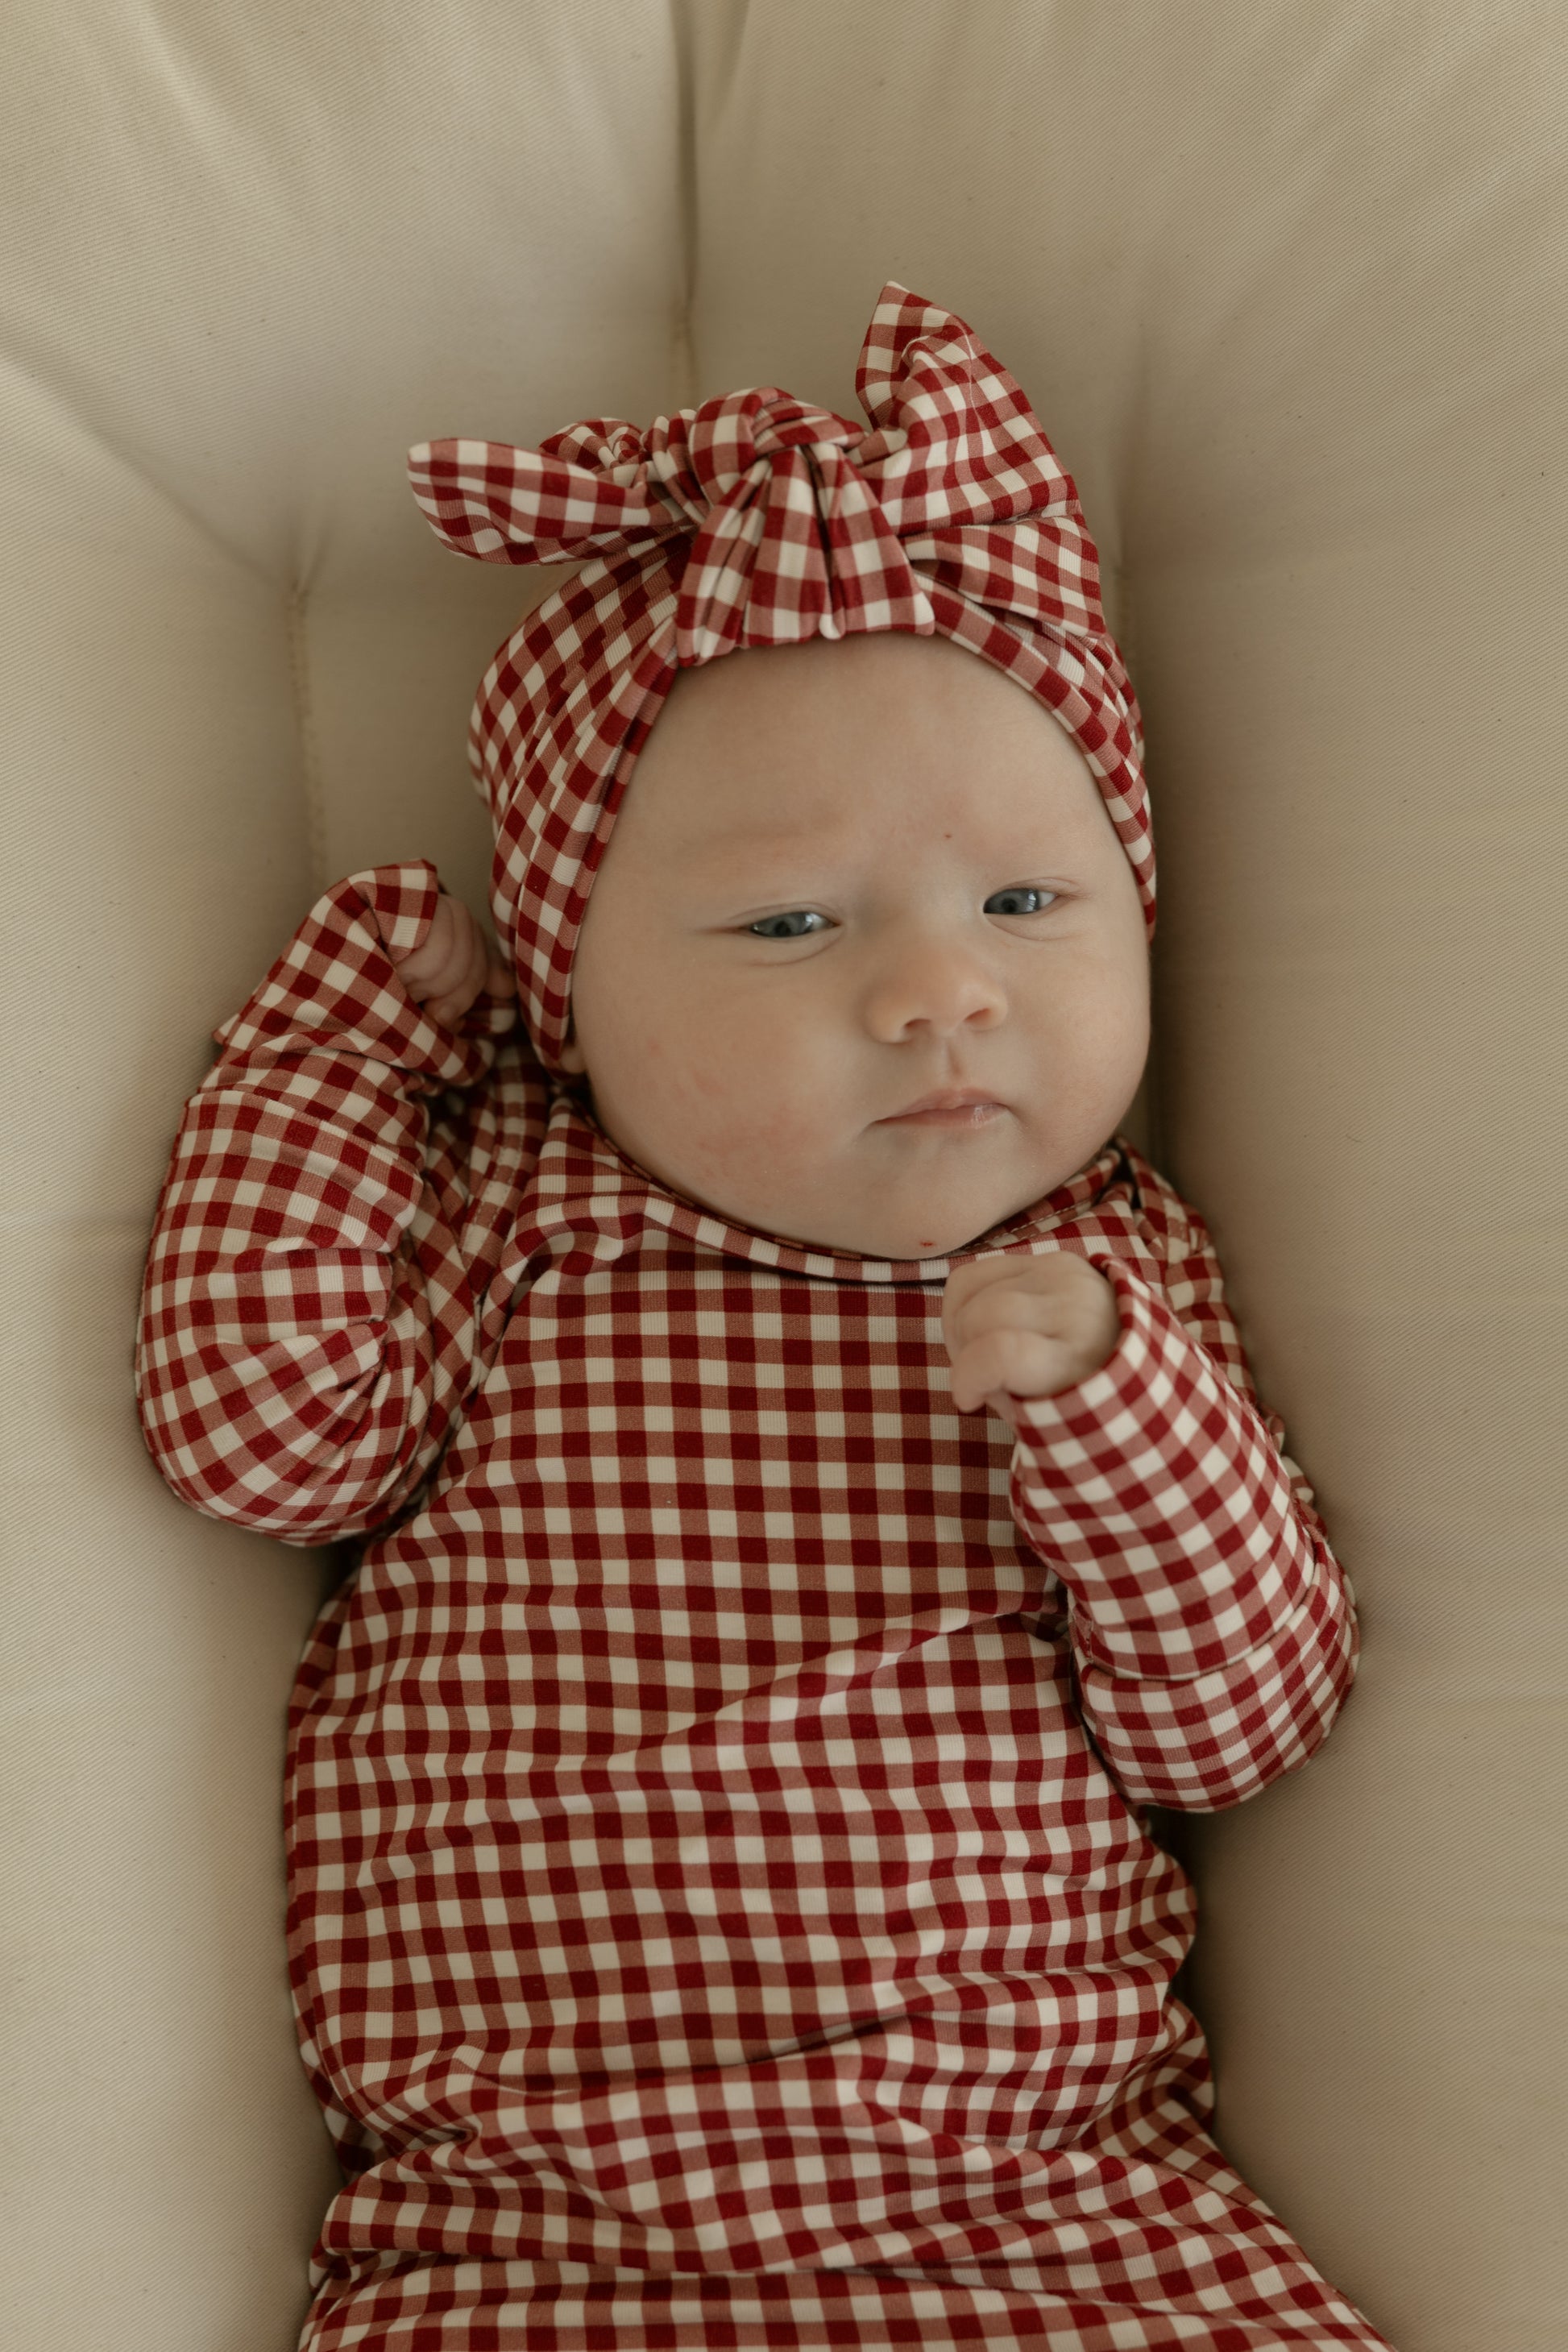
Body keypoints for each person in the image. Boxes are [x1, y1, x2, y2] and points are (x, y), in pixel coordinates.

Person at [135, 284, 1395, 2350]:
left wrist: (1110, 1412)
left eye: (1026, 903)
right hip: (526, 2213)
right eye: (791, 923)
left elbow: (1239, 1722)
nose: (936, 990)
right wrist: (342, 1046)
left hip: (1043, 2180)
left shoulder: (1111, 1267)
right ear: (572, 986)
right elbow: (254, 1436)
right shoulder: (515, 1209)